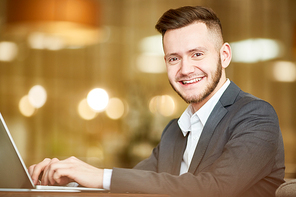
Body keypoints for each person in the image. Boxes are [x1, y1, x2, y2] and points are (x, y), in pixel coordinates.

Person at [28, 6, 285, 197]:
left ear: (224, 55)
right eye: (174, 58)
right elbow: (136, 182)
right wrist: (70, 178)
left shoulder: (255, 115)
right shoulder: (174, 130)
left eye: (197, 54)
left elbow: (215, 188)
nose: (185, 69)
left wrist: (97, 176)